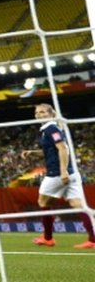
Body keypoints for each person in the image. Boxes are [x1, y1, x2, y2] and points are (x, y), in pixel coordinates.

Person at [20, 103, 95, 248]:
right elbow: (52, 150)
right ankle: (93, 239)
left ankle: (48, 238)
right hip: (72, 173)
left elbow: (62, 148)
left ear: (51, 114)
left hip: (57, 174)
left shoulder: (51, 128)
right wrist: (33, 152)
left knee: (43, 202)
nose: (39, 115)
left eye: (42, 112)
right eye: (37, 113)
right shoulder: (49, 129)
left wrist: (63, 171)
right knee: (77, 205)